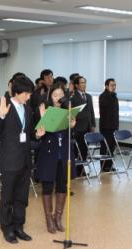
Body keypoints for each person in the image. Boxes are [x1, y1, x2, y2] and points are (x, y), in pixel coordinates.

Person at [0, 76, 35, 244]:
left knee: (22, 197)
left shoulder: (27, 107)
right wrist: (1, 116)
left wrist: (37, 133)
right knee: (7, 197)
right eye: (27, 93)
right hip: (10, 160)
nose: (29, 97)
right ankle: (7, 228)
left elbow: (27, 131)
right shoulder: (4, 106)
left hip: (25, 158)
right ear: (17, 92)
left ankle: (19, 226)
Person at [35, 86, 76, 233]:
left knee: (62, 186)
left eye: (60, 94)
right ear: (50, 97)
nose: (58, 97)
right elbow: (37, 134)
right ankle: (49, 219)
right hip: (48, 155)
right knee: (47, 187)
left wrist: (72, 125)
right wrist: (40, 129)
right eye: (54, 95)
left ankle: (58, 218)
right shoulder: (43, 110)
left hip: (64, 154)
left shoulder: (68, 112)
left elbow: (72, 134)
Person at [70, 76, 96, 174]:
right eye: (81, 83)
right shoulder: (73, 97)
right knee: (77, 149)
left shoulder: (88, 96)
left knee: (85, 149)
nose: (84, 84)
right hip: (77, 127)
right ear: (76, 85)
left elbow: (91, 112)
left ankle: (82, 169)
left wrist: (93, 124)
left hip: (87, 127)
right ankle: (76, 170)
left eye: (85, 82)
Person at [99, 78, 119, 172]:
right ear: (106, 86)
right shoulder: (103, 96)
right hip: (105, 126)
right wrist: (111, 94)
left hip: (114, 126)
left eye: (115, 85)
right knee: (105, 146)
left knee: (112, 147)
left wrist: (117, 126)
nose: (114, 87)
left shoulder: (114, 96)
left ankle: (110, 165)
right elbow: (105, 106)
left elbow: (116, 113)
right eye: (112, 85)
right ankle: (103, 166)